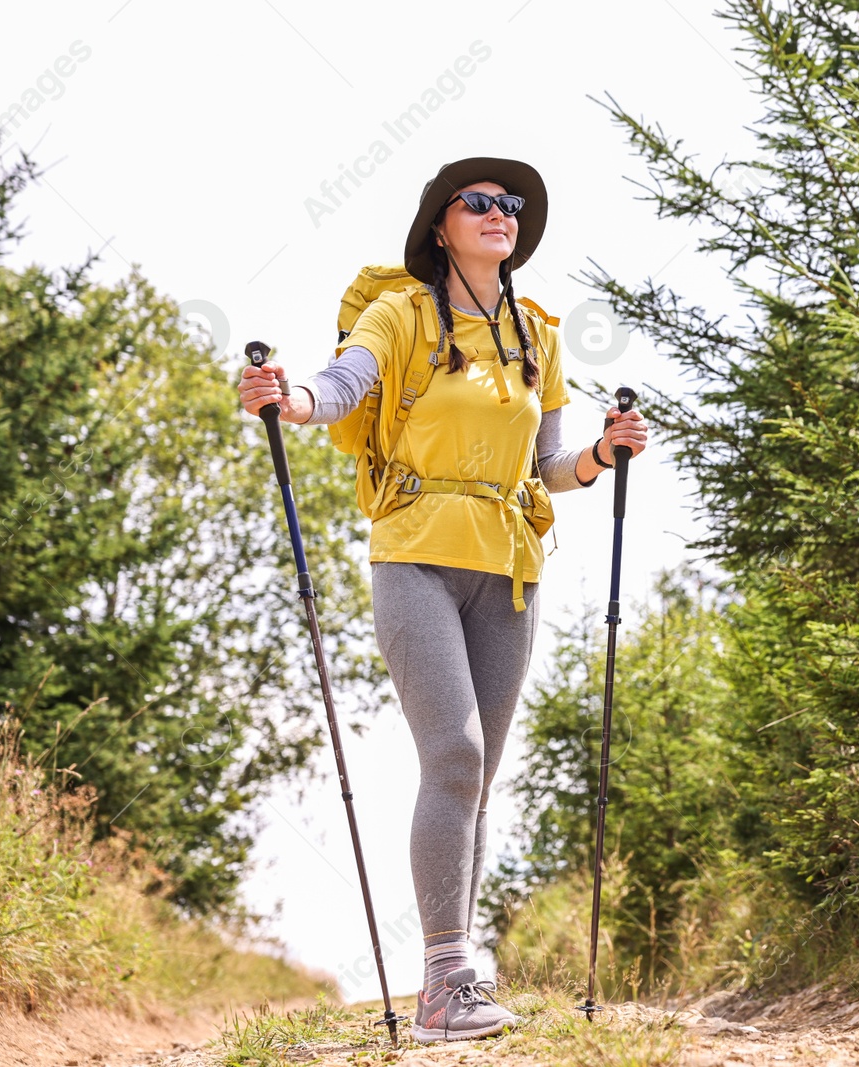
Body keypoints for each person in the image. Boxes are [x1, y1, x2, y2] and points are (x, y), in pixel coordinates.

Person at [238, 157, 648, 1044]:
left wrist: (605, 456)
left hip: (509, 564)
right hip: (416, 556)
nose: (501, 212)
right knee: (455, 754)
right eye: (481, 202)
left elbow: (547, 467)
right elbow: (342, 386)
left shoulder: (538, 333)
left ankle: (458, 969)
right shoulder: (403, 313)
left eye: (512, 205)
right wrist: (289, 400)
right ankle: (444, 980)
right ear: (441, 225)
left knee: (478, 775)